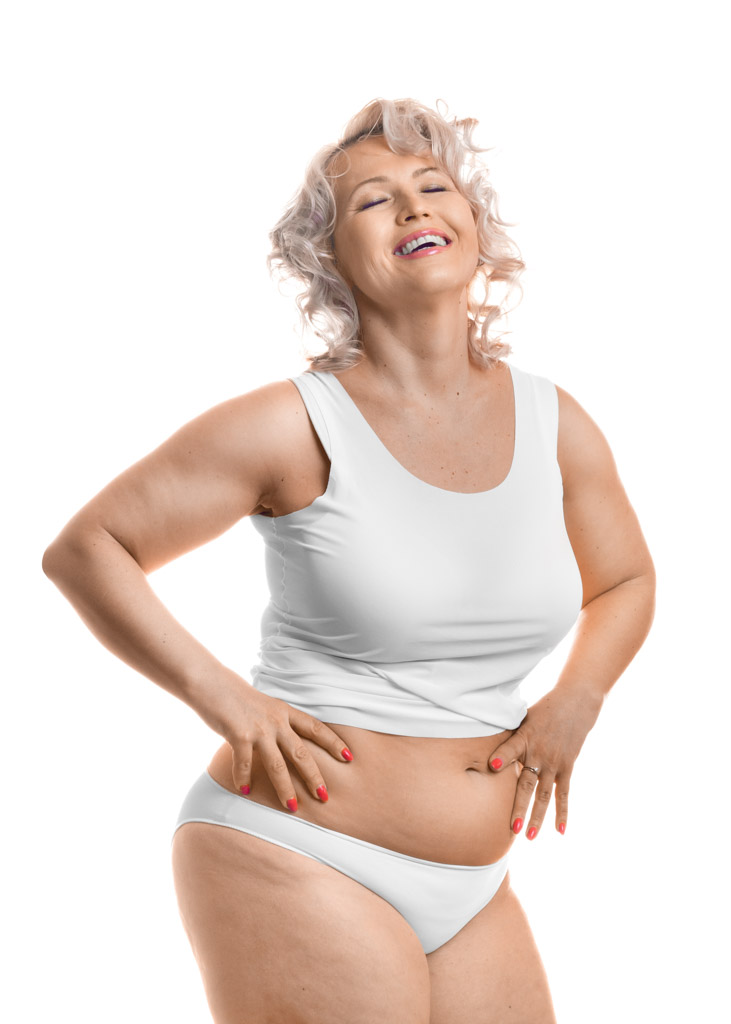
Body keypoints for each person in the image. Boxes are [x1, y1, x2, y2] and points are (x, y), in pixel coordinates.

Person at [43, 98, 656, 1024]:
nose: (412, 209)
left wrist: (578, 696)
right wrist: (228, 699)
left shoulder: (555, 423)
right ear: (330, 260)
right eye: (374, 201)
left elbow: (625, 580)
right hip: (296, 851)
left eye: (432, 186)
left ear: (473, 227)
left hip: (473, 889)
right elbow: (87, 549)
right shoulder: (293, 423)